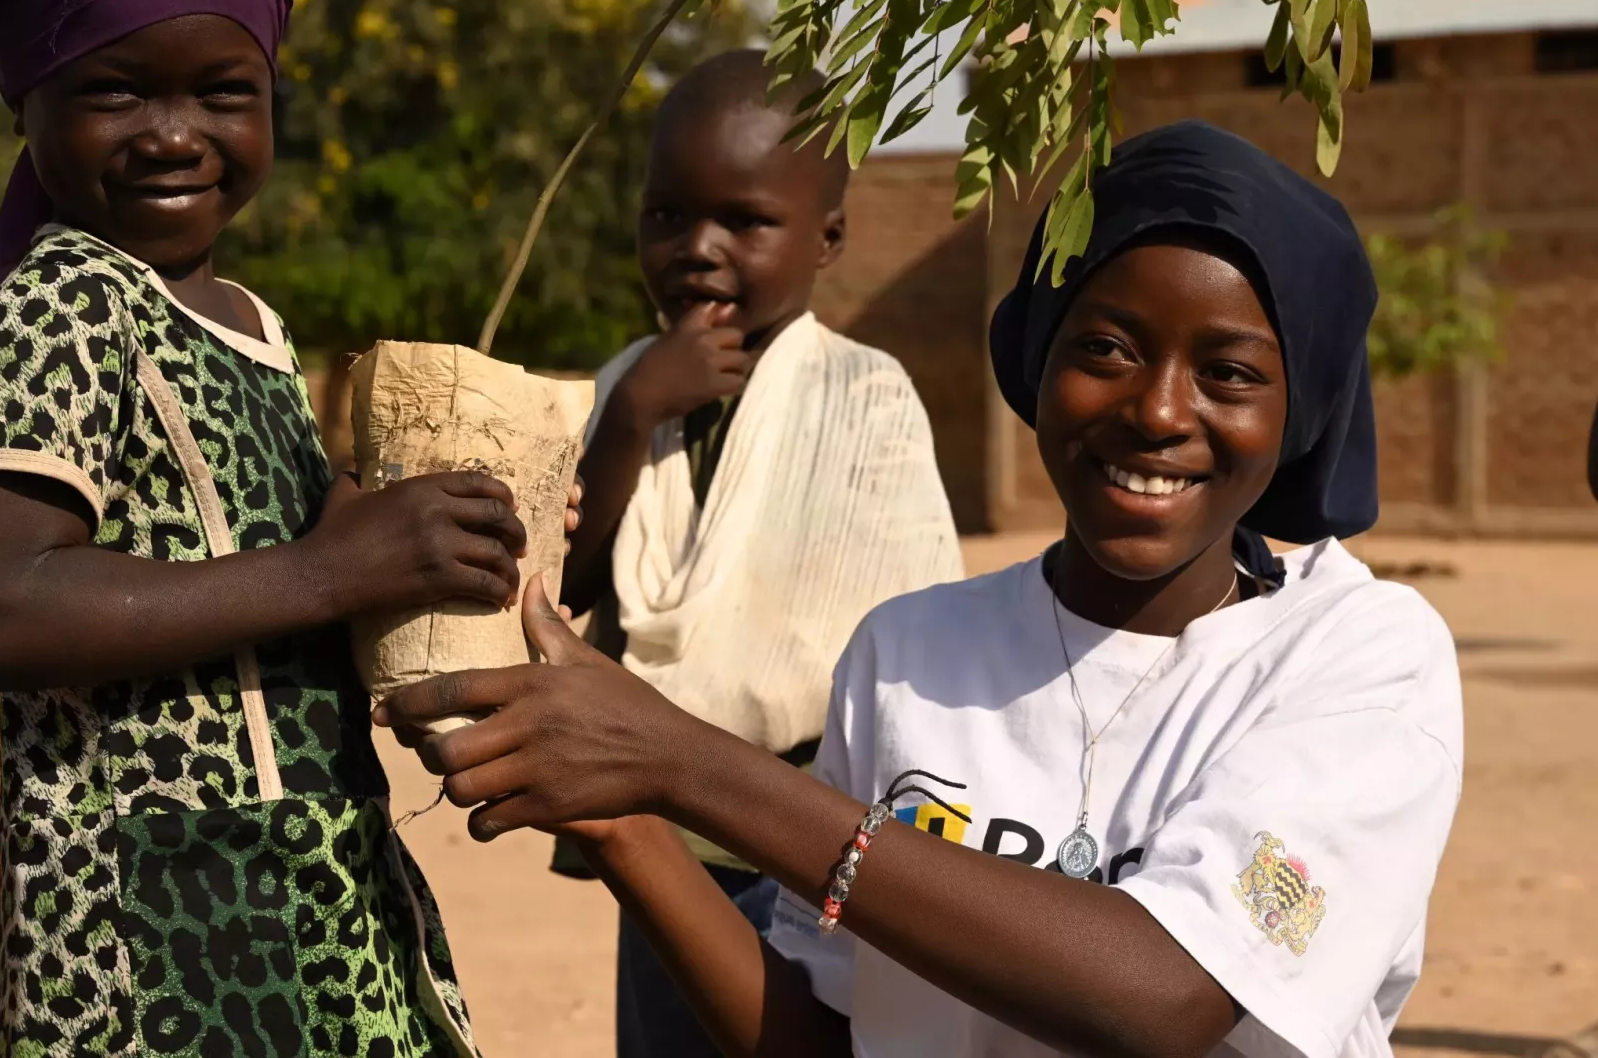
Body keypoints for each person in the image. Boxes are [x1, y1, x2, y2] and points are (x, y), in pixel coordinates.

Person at [381, 120, 1466, 1058]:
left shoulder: (1359, 655)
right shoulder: (910, 650)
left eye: (1229, 371)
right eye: (1107, 346)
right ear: (1039, 358)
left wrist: (684, 761)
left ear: (1306, 407)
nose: (1159, 410)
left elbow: (1163, 997)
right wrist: (630, 823)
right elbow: (823, 1035)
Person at [0, 0, 545, 1058]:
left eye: (222, 91)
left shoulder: (253, 324)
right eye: (115, 91)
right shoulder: (66, 301)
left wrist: (443, 558)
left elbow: (287, 595)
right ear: (25, 94)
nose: (172, 134)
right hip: (149, 937)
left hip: (317, 894)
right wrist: (335, 569)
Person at [557, 48, 964, 1057]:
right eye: (666, 217)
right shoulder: (623, 385)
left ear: (825, 236)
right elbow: (568, 576)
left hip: (805, 823)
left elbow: (905, 622)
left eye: (742, 221)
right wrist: (632, 415)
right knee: (668, 1029)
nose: (697, 249)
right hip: (653, 825)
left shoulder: (866, 393)